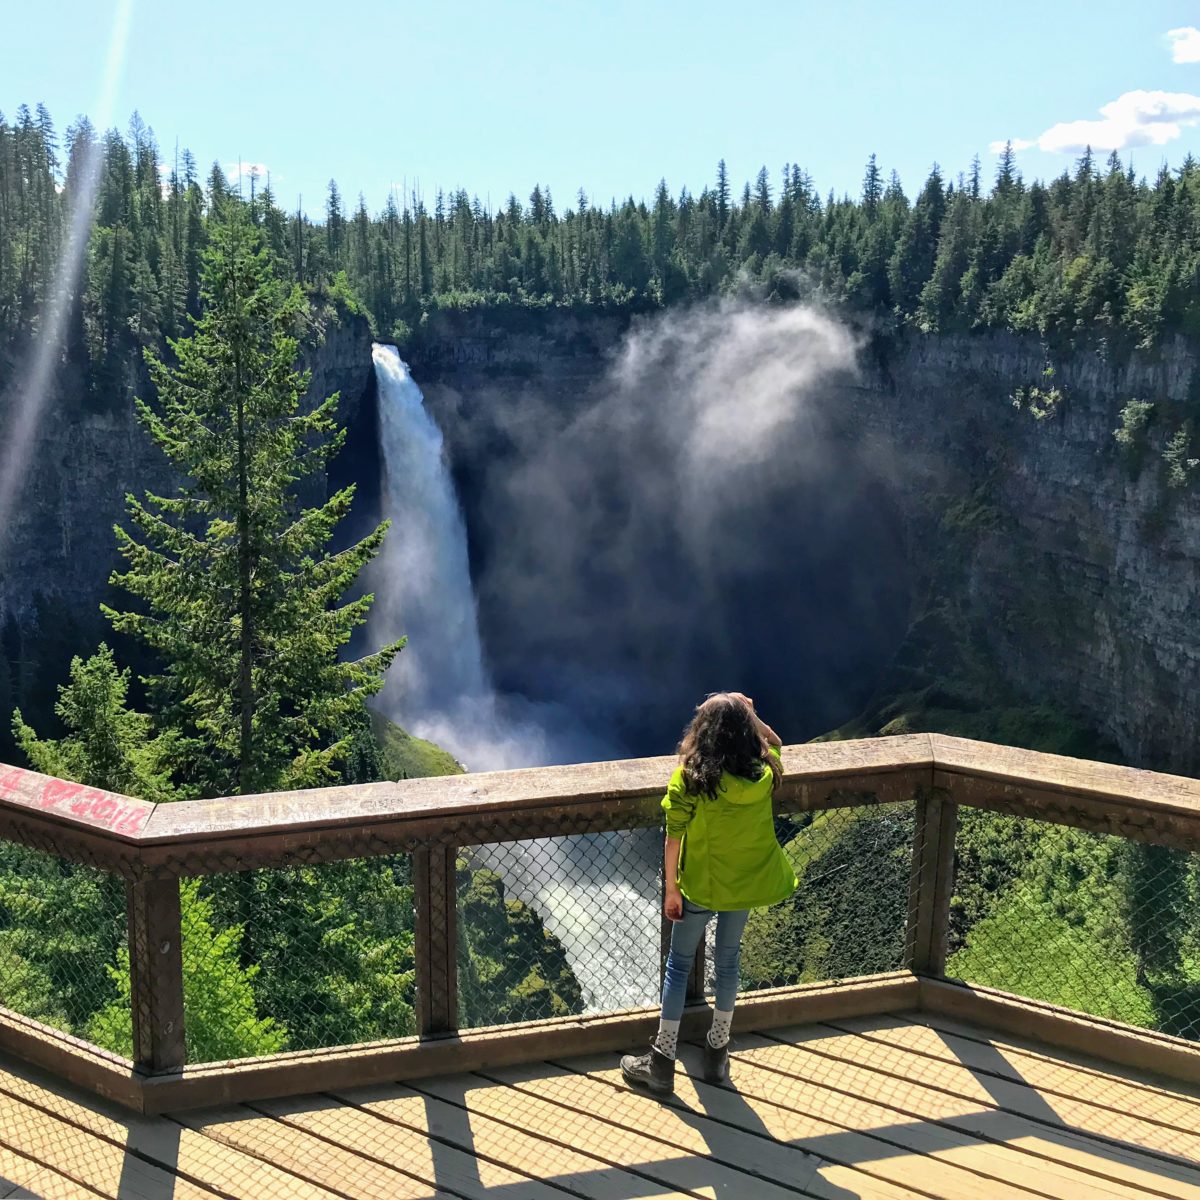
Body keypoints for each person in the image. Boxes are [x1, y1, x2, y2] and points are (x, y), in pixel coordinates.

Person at [620, 692, 797, 1095]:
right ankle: (717, 1052)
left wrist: (671, 890)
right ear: (745, 733)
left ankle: (662, 1060)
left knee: (678, 965)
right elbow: (777, 745)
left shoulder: (690, 778)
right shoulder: (765, 772)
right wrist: (750, 713)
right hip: (745, 883)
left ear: (704, 731)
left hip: (699, 883)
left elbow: (673, 836)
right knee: (729, 961)